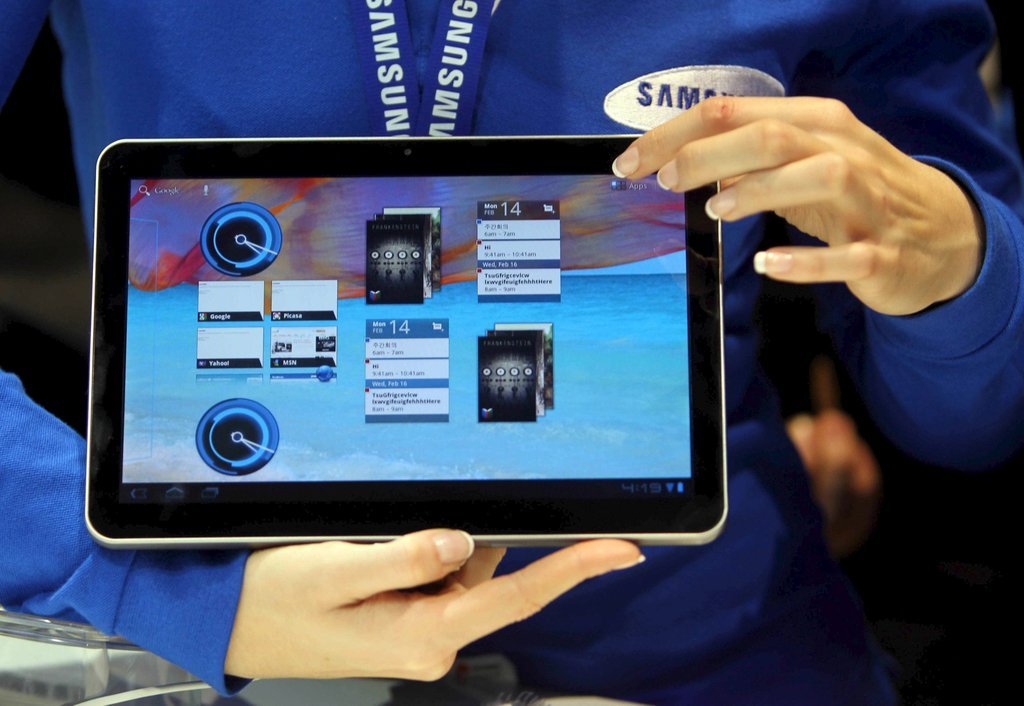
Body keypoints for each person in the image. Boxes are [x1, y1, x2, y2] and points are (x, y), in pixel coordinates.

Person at [2, 1, 1023, 703]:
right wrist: (163, 589)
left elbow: (978, 424)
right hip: (212, 641)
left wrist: (962, 268)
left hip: (696, 647)